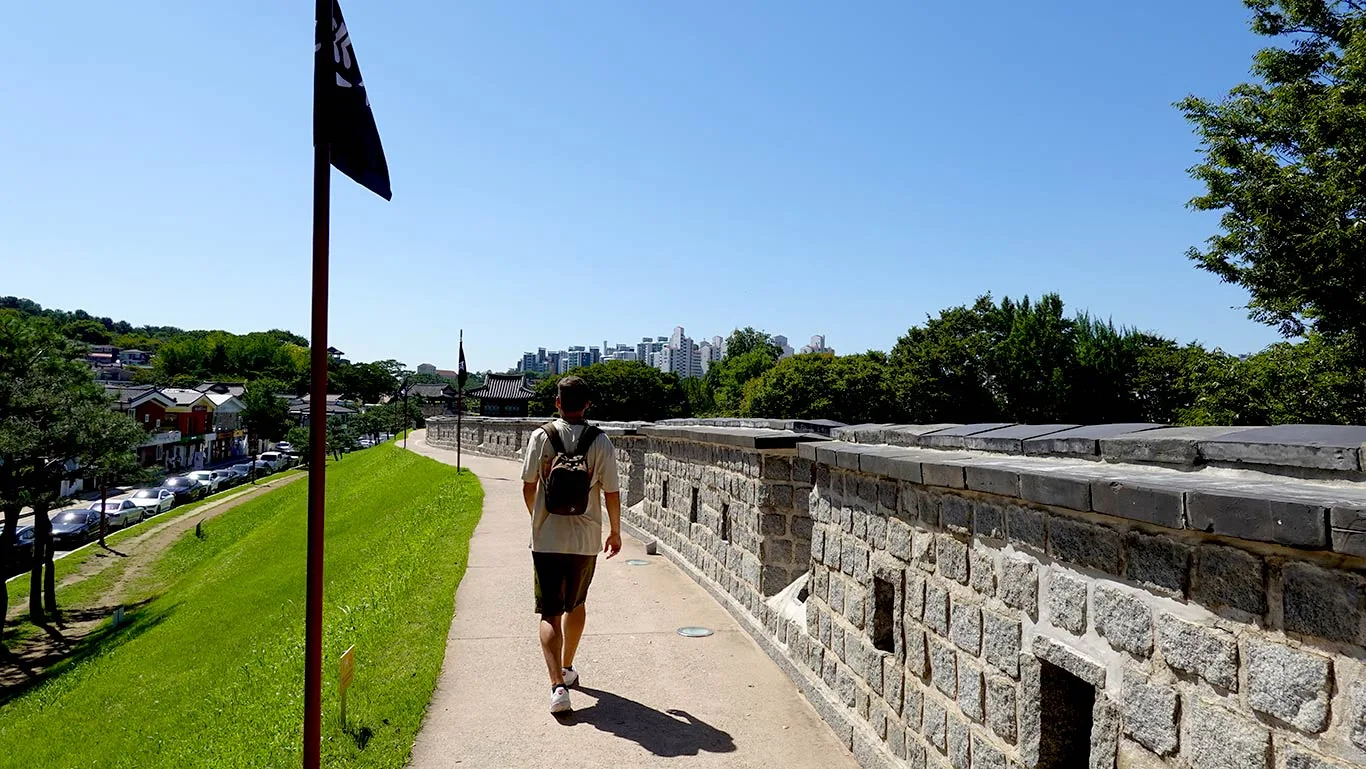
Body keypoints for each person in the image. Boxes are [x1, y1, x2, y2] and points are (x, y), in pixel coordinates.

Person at [520, 375, 621, 714]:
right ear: (587, 405)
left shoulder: (541, 437)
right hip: (585, 538)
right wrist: (615, 532)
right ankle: (566, 666)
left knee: (550, 612)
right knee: (576, 604)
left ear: (557, 403)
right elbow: (611, 492)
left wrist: (538, 520)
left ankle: (557, 688)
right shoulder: (600, 441)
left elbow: (528, 486)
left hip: (547, 538)